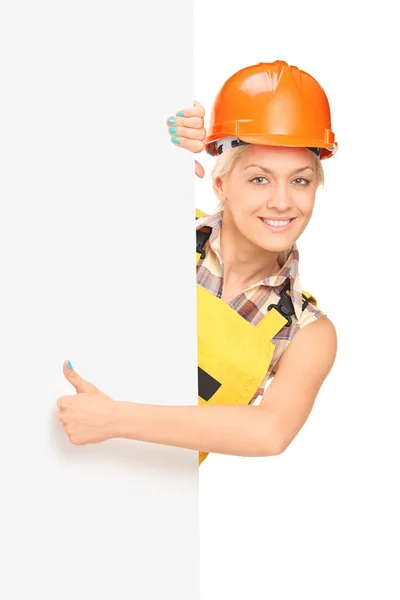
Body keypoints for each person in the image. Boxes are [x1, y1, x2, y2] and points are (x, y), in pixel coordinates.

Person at [56, 60, 338, 465]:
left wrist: (113, 419)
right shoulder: (162, 228)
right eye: (259, 178)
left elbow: (270, 432)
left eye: (300, 180)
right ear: (221, 184)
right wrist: (146, 153)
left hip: (155, 500)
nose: (282, 201)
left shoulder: (306, 331)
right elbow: (65, 198)